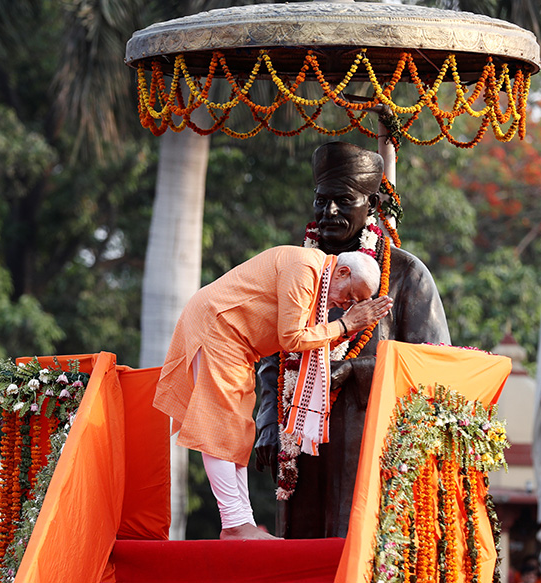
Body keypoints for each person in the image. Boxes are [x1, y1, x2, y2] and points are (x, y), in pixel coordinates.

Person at [254, 141, 451, 538]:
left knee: (356, 547)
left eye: (343, 201)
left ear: (372, 205)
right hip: (301, 443)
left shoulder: (405, 273)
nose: (329, 212)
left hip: (368, 440)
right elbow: (272, 355)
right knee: (303, 557)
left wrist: (354, 371)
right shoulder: (297, 267)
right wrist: (268, 421)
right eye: (321, 200)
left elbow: (433, 365)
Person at [153, 245, 393, 540]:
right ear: (342, 273)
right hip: (218, 327)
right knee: (219, 425)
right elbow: (292, 338)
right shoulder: (306, 269)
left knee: (239, 428)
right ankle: (234, 524)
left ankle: (242, 523)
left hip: (237, 343)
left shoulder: (319, 277)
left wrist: (344, 325)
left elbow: (302, 338)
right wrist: (345, 325)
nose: (346, 306)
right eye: (350, 297)